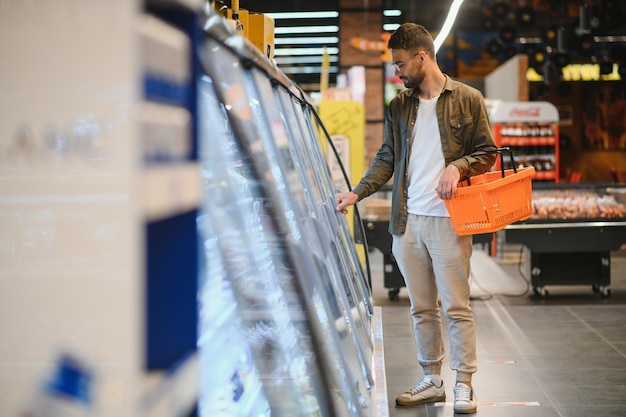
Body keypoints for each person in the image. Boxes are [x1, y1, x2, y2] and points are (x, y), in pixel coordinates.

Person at [335, 23, 497, 414]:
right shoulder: (399, 106)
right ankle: (433, 379)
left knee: (456, 306)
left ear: (421, 56)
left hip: (448, 221)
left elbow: (487, 152)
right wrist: (357, 192)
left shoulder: (468, 99)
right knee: (421, 307)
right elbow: (387, 158)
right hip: (407, 223)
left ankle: (464, 383)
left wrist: (458, 167)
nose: (397, 72)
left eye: (401, 63)